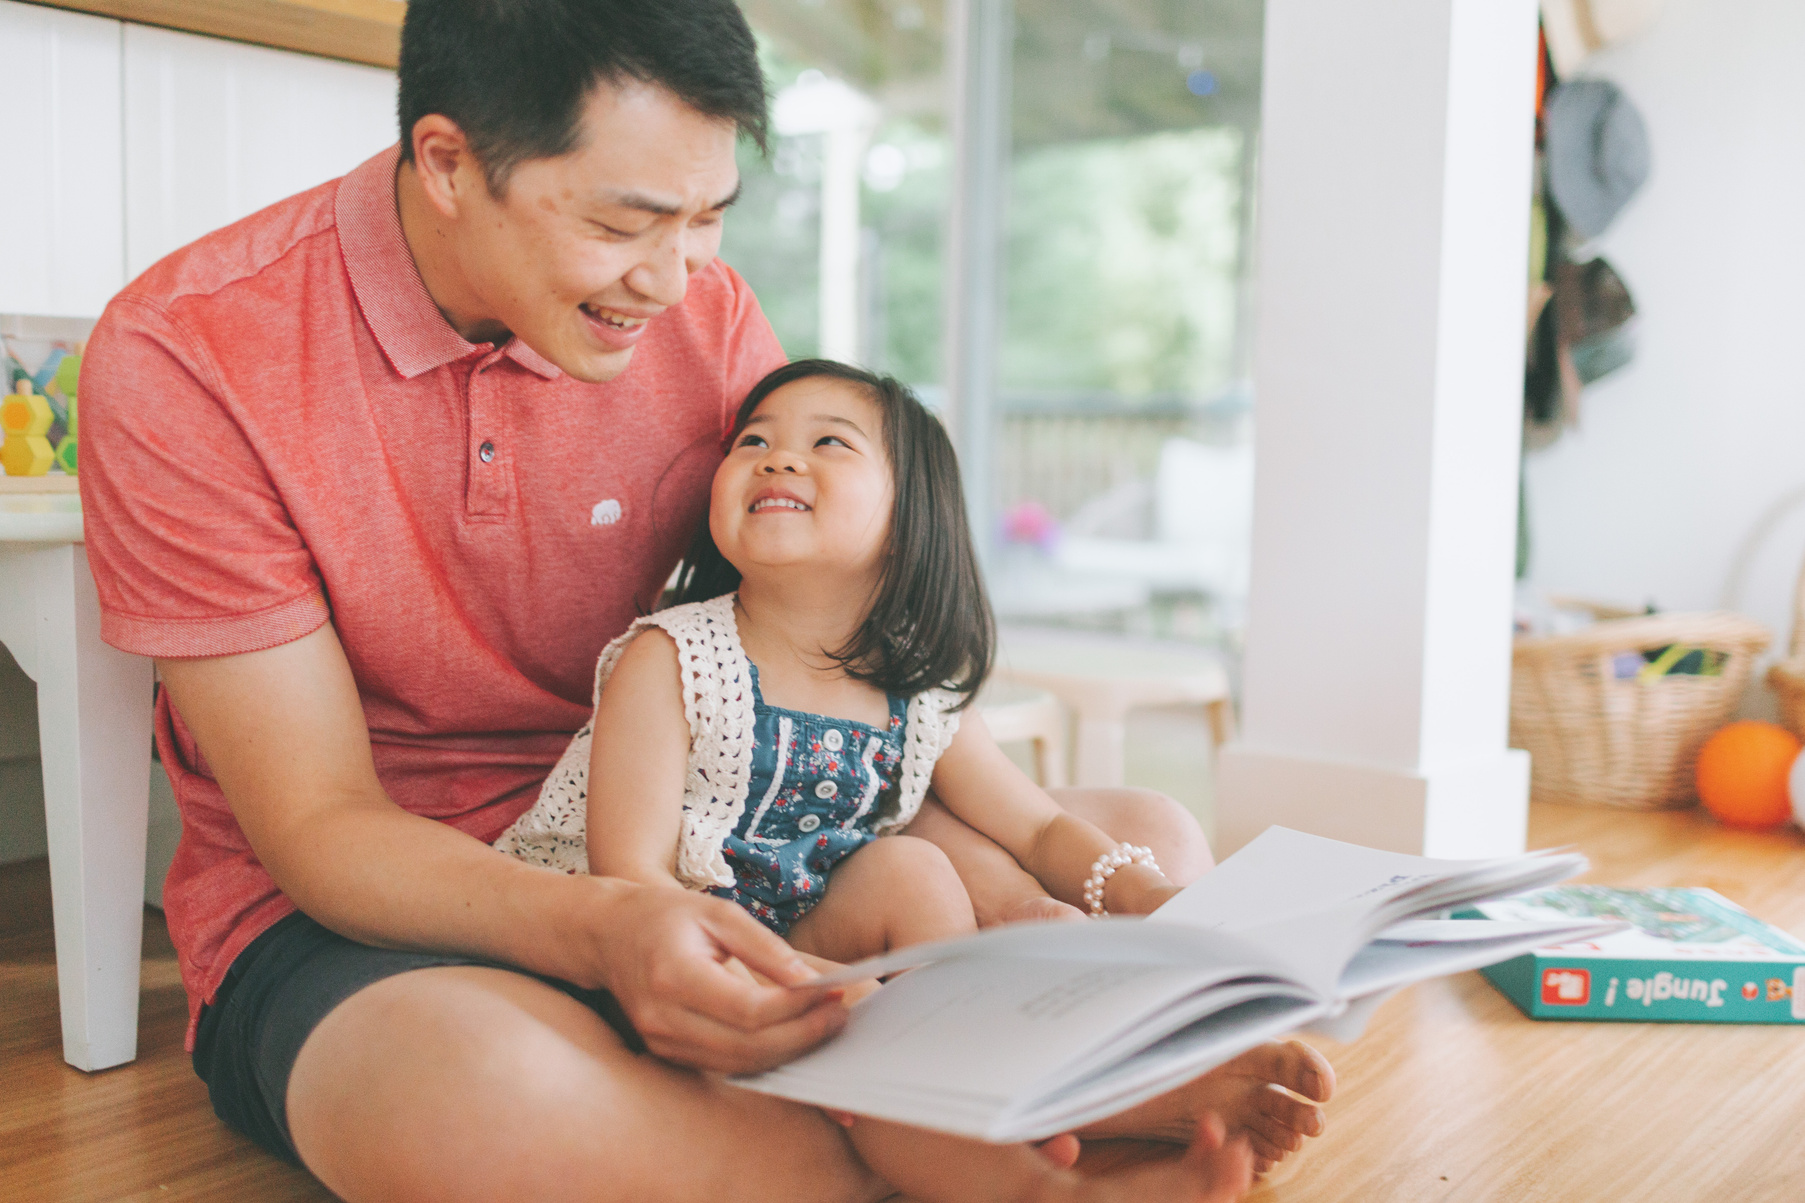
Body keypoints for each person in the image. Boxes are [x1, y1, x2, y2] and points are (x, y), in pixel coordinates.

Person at [76, 0, 1330, 1198]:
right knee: (485, 1103)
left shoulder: (706, 315)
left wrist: (1031, 866)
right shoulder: (186, 358)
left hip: (719, 835)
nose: (675, 284)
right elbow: (323, 829)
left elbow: (818, 630)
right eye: (625, 225)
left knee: (1148, 838)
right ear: (449, 164)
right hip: (392, 912)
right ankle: (1010, 1108)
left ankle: (922, 1115)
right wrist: (610, 927)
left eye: (710, 218)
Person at [494, 356, 1303, 1201]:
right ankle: (1039, 1177)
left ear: (907, 515)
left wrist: (1145, 895)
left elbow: (1034, 826)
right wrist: (802, 993)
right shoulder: (673, 657)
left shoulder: (917, 689)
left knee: (909, 872)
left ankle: (982, 1080)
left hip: (806, 944)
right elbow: (632, 878)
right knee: (896, 999)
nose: (775, 458)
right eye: (753, 441)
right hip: (659, 958)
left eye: (828, 442)